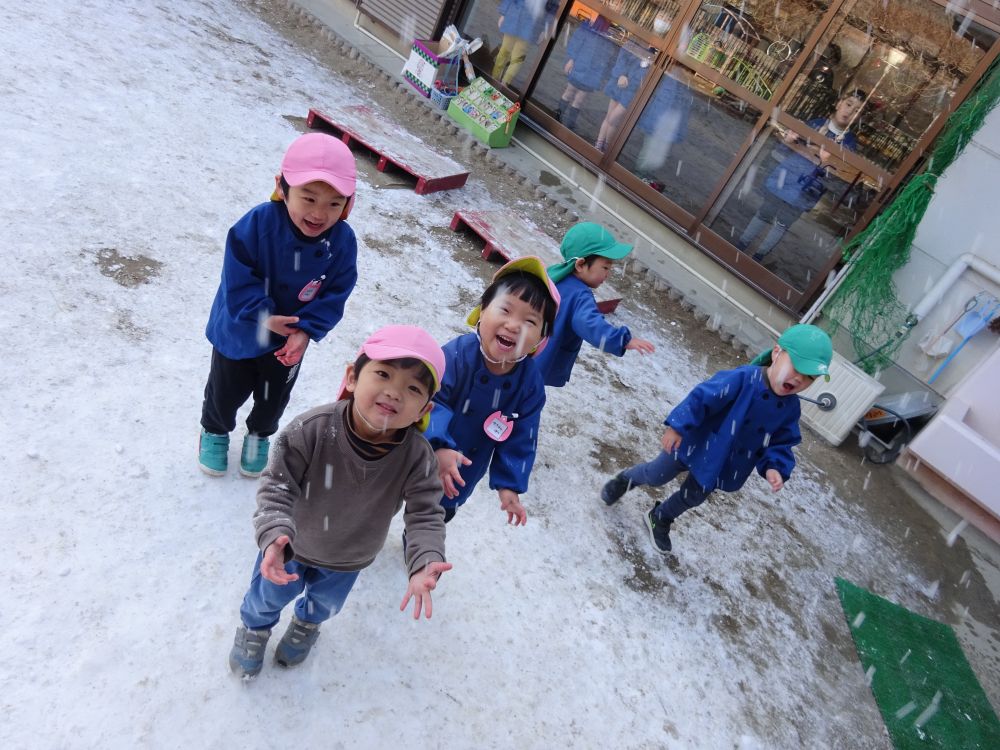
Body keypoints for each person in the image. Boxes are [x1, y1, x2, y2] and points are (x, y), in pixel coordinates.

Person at [228, 325, 452, 678]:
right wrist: (273, 534)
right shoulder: (312, 429)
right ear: (351, 377)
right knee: (266, 597)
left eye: (412, 388)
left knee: (325, 605)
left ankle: (306, 625)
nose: (394, 393)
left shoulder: (417, 457)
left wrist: (424, 561)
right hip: (290, 546)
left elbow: (425, 515)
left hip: (350, 557)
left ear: (425, 408)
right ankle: (254, 629)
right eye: (382, 374)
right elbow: (277, 485)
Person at [198, 132, 359, 478]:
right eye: (309, 198)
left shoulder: (342, 242)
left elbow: (337, 290)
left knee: (274, 397)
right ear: (283, 188)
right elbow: (236, 275)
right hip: (241, 330)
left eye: (334, 204)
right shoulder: (258, 224)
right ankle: (215, 430)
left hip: (289, 342)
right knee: (224, 390)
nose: (319, 213)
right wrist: (263, 315)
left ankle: (260, 435)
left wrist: (307, 330)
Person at [601, 324, 833, 554]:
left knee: (693, 497)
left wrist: (775, 467)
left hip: (724, 463)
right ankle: (625, 480)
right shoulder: (743, 378)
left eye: (810, 377)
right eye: (796, 367)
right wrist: (678, 426)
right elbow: (702, 398)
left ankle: (660, 517)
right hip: (695, 442)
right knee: (656, 475)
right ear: (776, 353)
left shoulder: (790, 409)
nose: (799, 378)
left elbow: (782, 441)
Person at [425, 257, 560, 526]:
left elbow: (523, 435)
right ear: (483, 311)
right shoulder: (457, 355)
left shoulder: (529, 384)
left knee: (437, 514)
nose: (513, 325)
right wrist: (438, 445)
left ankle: (418, 545)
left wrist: (510, 484)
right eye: (505, 310)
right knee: (395, 494)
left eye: (530, 321)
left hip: (464, 468)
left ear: (541, 339)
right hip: (422, 452)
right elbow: (431, 400)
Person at [736, 90, 866, 261]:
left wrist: (828, 163)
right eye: (849, 104)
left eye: (856, 111)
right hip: (788, 175)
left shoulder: (848, 144)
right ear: (839, 103)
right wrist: (789, 141)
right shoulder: (815, 124)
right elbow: (785, 147)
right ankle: (741, 245)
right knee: (765, 212)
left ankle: (758, 256)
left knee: (783, 222)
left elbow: (840, 176)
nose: (849, 111)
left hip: (808, 188)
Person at [533, 222, 655, 387]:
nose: (608, 274)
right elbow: (589, 324)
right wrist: (621, 340)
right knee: (521, 406)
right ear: (580, 264)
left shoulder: (553, 275)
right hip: (539, 365)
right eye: (605, 267)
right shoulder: (580, 295)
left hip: (523, 353)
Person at [553, 16, 617, 131]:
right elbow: (576, 43)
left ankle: (569, 124)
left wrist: (601, 76)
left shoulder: (608, 37)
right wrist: (571, 59)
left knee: (580, 99)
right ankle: (557, 115)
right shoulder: (588, 28)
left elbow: (607, 58)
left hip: (592, 73)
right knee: (569, 92)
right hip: (580, 65)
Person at [595, 41, 655, 152]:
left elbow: (645, 76)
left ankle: (607, 148)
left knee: (613, 119)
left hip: (632, 92)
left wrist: (630, 80)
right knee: (609, 117)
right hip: (619, 84)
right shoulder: (636, 40)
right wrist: (621, 74)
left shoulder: (654, 54)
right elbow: (622, 58)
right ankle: (598, 146)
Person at [492, 0, 558, 86]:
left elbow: (551, 9)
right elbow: (551, 10)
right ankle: (496, 78)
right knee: (509, 53)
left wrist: (544, 29)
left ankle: (502, 81)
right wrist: (503, 13)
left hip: (527, 24)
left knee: (514, 56)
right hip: (518, 19)